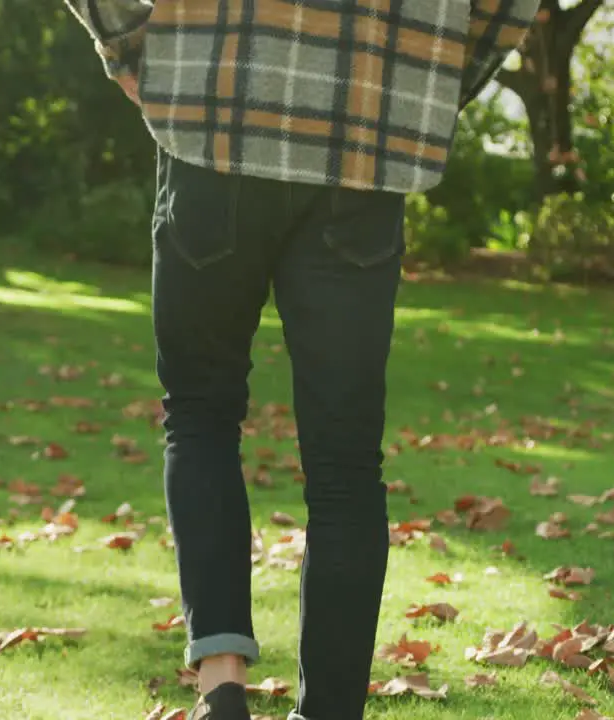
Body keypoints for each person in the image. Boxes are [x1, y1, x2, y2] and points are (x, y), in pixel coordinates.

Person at [62, 1, 539, 719]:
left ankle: (221, 688)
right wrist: (425, 81)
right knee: (346, 464)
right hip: (364, 135)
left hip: (213, 110)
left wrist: (127, 45)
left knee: (200, 416)